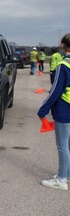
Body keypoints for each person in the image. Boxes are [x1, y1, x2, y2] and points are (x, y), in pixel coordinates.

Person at [37, 33, 70, 191]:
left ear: (63, 45)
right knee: (68, 144)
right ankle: (66, 174)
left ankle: (61, 180)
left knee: (63, 145)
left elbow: (56, 91)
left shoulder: (63, 65)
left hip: (65, 109)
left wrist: (43, 109)